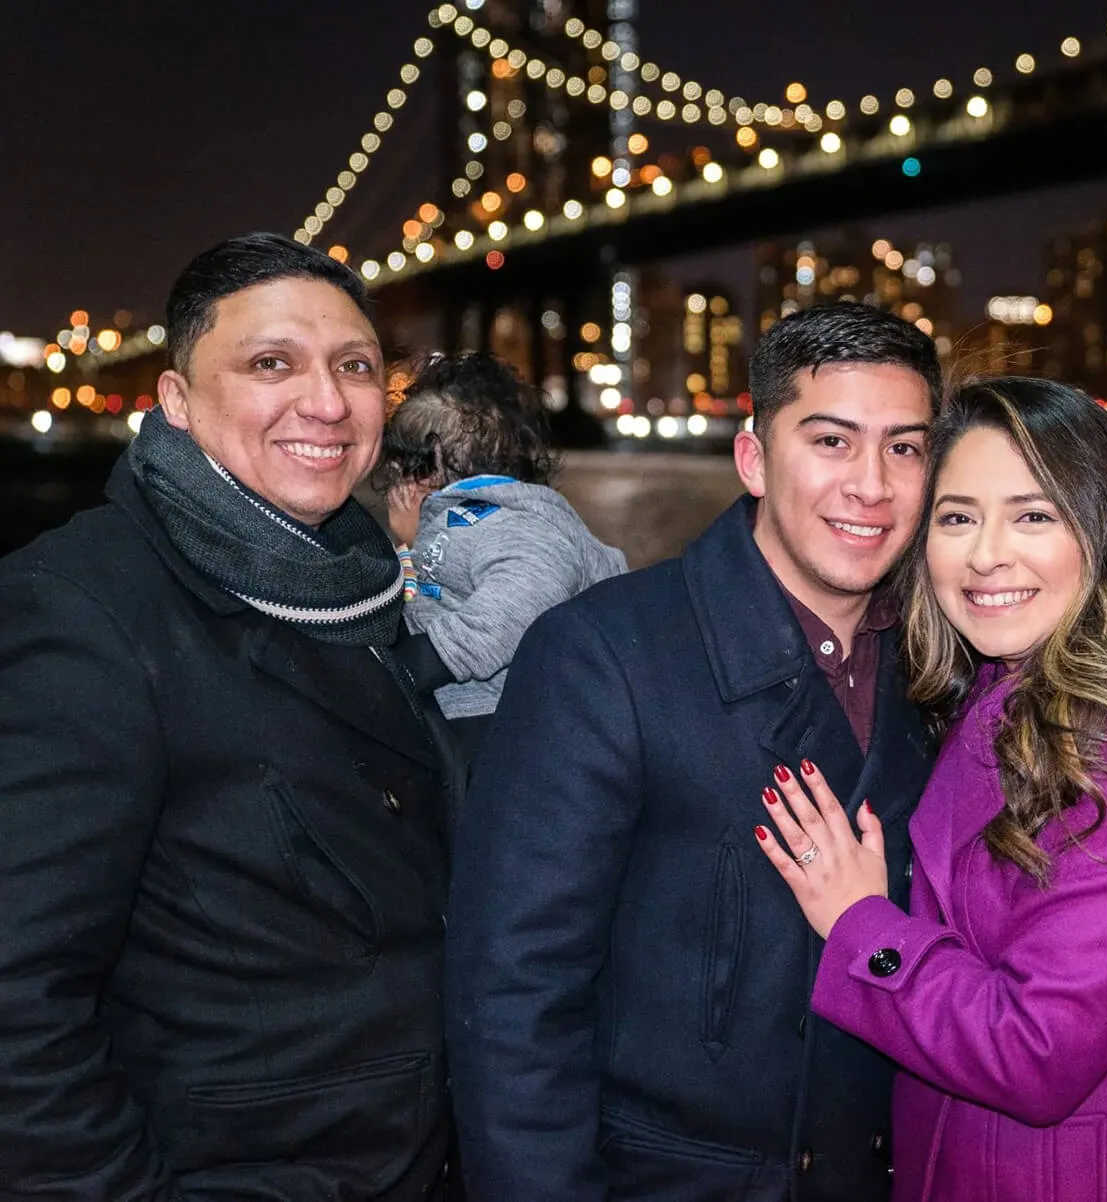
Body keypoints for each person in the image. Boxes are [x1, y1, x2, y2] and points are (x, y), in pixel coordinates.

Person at [446, 302, 943, 1200]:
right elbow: (515, 1001)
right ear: (753, 458)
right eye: (831, 441)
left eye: (904, 448)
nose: (872, 485)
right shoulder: (604, 655)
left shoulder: (947, 669)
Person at [0, 233, 457, 1197]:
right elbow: (18, 1001)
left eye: (356, 366)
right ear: (176, 402)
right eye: (270, 364)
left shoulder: (356, 585)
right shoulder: (84, 611)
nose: (327, 402)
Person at [756, 378, 1107, 1201]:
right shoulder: (1010, 686)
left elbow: (1037, 1050)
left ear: (1104, 528)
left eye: (1034, 515)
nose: (986, 553)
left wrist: (862, 927)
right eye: (957, 518)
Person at [373, 350, 627, 757]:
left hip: (509, 724)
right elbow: (419, 599)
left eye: (402, 464)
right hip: (457, 715)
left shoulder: (517, 522)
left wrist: (427, 658)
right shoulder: (455, 521)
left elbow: (526, 592)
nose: (395, 480)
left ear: (431, 464)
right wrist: (408, 545)